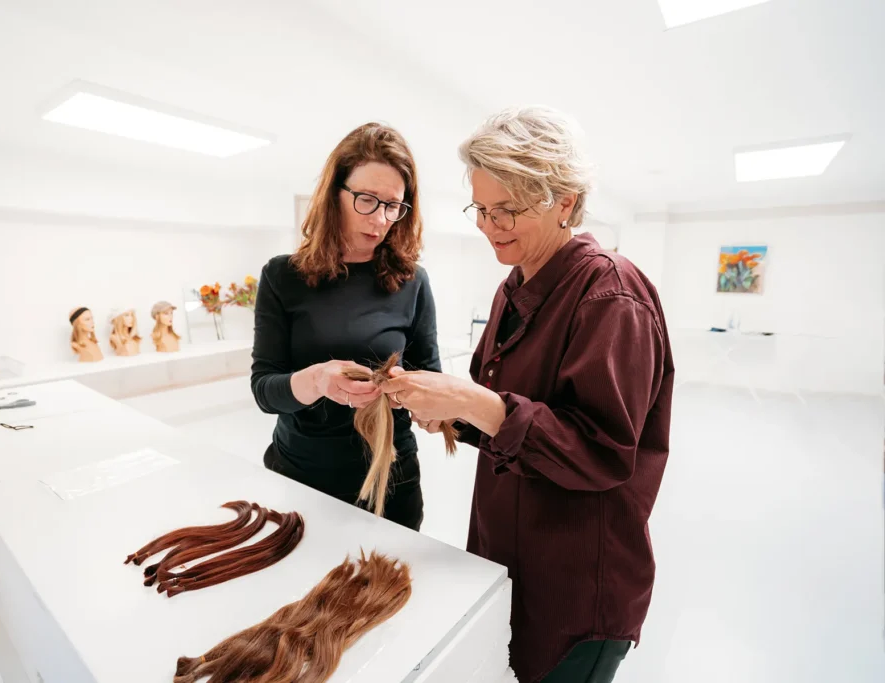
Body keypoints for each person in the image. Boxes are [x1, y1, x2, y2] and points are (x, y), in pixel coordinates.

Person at [382, 106, 674, 683]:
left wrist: (471, 404)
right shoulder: (514, 285)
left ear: (565, 200)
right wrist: (446, 413)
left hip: (575, 585)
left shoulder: (611, 295)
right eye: (482, 210)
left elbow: (602, 452)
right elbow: (506, 410)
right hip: (509, 554)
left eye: (508, 210)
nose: (491, 227)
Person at [251, 122, 440, 531]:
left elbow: (431, 377)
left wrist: (411, 392)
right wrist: (318, 379)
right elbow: (265, 391)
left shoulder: (413, 281)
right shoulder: (282, 276)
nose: (381, 219)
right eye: (367, 200)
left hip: (391, 482)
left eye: (394, 205)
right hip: (301, 477)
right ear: (334, 192)